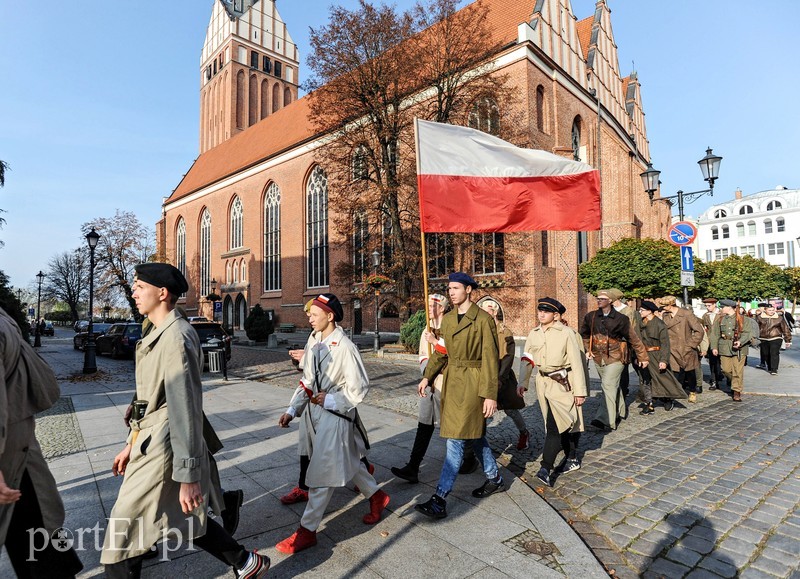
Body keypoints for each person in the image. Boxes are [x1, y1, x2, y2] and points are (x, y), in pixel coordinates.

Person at [101, 263, 269, 579]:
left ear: (162, 293)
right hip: (150, 440)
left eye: (139, 286)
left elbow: (186, 408)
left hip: (166, 444)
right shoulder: (154, 331)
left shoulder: (176, 338)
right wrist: (129, 443)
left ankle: (245, 560)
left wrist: (189, 475)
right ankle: (246, 562)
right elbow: (143, 400)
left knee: (122, 532)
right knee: (182, 515)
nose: (133, 292)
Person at [276, 294, 389, 554]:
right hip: (316, 413)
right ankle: (377, 496)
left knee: (323, 472)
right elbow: (307, 380)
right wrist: (292, 410)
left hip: (336, 416)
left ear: (330, 316)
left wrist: (331, 399)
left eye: (314, 313)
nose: (309, 317)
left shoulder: (346, 347)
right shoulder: (314, 340)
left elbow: (359, 388)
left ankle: (307, 531)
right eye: (309, 313)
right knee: (349, 460)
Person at [0, 306, 84, 578]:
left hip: (12, 460)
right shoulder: (5, 321)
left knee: (40, 541)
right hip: (19, 456)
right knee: (41, 539)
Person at [414, 272, 503, 520]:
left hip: (474, 385)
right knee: (474, 436)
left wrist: (489, 395)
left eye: (455, 288)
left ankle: (440, 498)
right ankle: (495, 478)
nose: (451, 292)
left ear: (468, 290)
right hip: (453, 384)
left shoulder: (483, 320)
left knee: (455, 439)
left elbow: (489, 359)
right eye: (449, 288)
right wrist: (426, 377)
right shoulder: (450, 319)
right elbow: (442, 352)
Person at [517, 298, 587, 487]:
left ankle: (545, 468)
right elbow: (527, 359)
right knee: (557, 421)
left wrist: (580, 391)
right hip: (543, 383)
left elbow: (578, 363)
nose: (541, 314)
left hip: (563, 383)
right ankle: (571, 456)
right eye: (540, 310)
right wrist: (523, 382)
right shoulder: (534, 334)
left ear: (555, 315)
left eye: (546, 312)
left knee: (556, 424)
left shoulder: (567, 334)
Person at [392, 293, 448, 483]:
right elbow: (423, 355)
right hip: (428, 382)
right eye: (428, 305)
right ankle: (413, 467)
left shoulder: (450, 326)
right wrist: (427, 374)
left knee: (451, 427)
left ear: (441, 307)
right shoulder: (427, 328)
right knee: (424, 425)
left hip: (445, 383)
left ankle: (469, 457)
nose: (428, 309)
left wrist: (436, 342)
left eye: (432, 306)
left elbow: (453, 352)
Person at [580, 290, 648, 432]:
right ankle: (621, 411)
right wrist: (588, 348)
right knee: (612, 386)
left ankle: (606, 420)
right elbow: (584, 334)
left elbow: (633, 338)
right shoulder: (591, 316)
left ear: (610, 300)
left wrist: (642, 356)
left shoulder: (621, 318)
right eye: (598, 298)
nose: (599, 300)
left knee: (608, 385)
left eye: (603, 299)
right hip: (599, 358)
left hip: (616, 356)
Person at [480, 300, 529, 451]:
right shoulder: (480, 330)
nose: (483, 313)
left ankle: (524, 433)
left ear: (494, 312)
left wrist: (500, 378)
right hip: (485, 376)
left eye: (486, 310)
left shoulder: (505, 332)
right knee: (482, 411)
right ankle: (479, 443)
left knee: (510, 410)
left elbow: (508, 357)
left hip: (502, 377)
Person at [634, 301, 687, 414]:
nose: (640, 312)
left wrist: (663, 360)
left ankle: (668, 398)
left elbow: (665, 344)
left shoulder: (659, 324)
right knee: (645, 379)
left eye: (642, 310)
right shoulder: (639, 323)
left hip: (657, 355)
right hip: (643, 355)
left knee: (663, 379)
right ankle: (649, 403)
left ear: (649, 311)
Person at [658, 296, 704, 403]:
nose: (662, 308)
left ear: (670, 305)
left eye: (664, 306)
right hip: (671, 349)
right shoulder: (665, 315)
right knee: (674, 373)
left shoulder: (686, 314)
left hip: (685, 348)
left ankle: (692, 391)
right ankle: (672, 395)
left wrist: (691, 345)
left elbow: (699, 331)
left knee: (690, 372)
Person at [708, 299, 752, 402]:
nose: (721, 309)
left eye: (723, 307)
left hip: (739, 349)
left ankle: (736, 391)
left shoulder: (743, 319)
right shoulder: (720, 319)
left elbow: (748, 333)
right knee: (725, 369)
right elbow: (714, 334)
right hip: (724, 347)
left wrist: (740, 341)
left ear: (729, 307)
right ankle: (735, 383)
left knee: (737, 370)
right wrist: (714, 347)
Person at [608, 289, 639, 399]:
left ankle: (623, 392)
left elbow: (629, 329)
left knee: (622, 371)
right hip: (608, 346)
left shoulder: (628, 311)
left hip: (622, 346)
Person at [755, 302, 792, 375]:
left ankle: (774, 369)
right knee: (766, 354)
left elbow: (785, 329)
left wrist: (788, 340)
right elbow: (755, 328)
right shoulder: (759, 317)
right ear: (765, 310)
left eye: (773, 310)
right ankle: (769, 366)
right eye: (769, 310)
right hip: (763, 338)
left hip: (776, 338)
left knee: (774, 353)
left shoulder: (779, 318)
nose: (771, 312)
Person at [700, 298, 725, 390]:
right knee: (713, 362)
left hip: (722, 341)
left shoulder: (722, 314)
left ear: (715, 304)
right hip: (710, 341)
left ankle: (726, 377)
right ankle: (714, 381)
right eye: (706, 306)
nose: (707, 307)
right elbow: (704, 328)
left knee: (723, 362)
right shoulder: (705, 316)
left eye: (709, 305)